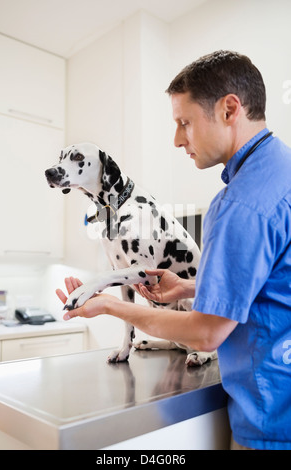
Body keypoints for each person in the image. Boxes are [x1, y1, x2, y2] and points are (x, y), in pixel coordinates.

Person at [56, 51, 291, 450]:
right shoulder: (281, 170)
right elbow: (271, 288)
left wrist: (112, 306)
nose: (178, 139)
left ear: (229, 109)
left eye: (185, 122)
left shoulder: (237, 205)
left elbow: (205, 334)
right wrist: (188, 288)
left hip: (271, 423)